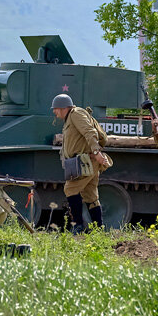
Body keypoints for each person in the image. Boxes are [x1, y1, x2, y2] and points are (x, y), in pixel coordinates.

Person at [52, 93, 110, 234]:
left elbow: (89, 131)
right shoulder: (69, 118)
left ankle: (78, 225)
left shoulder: (76, 114)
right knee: (90, 196)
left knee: (70, 189)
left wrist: (96, 152)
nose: (54, 111)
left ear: (63, 107)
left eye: (55, 108)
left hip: (86, 161)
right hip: (81, 162)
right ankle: (99, 229)